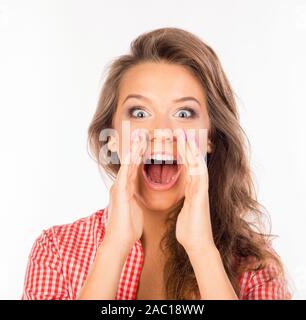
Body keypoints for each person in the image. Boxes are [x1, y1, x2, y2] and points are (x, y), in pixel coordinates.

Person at [21, 27, 292, 300]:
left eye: (184, 113)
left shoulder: (255, 267)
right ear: (112, 137)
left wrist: (202, 250)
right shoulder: (56, 250)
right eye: (139, 112)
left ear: (211, 138)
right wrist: (114, 247)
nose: (161, 131)